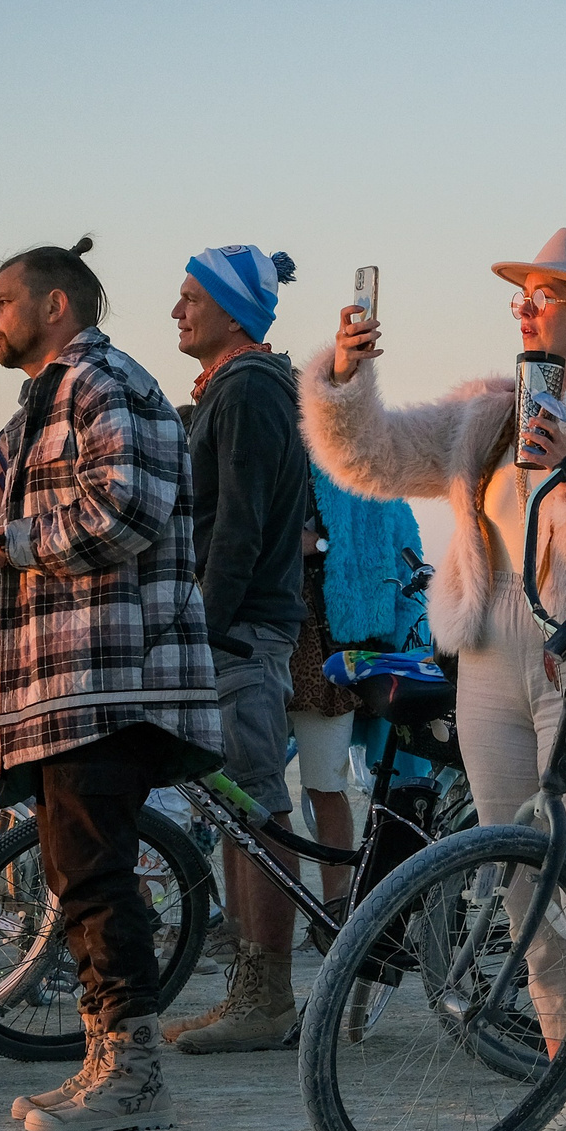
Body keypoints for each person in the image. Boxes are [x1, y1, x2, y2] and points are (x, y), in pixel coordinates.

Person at [304, 218, 566, 1131]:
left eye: (544, 295)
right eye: (520, 294)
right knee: (522, 879)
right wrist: (345, 380)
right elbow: (371, 461)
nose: (524, 306)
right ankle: (561, 1077)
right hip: (487, 667)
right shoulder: (486, 412)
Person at [0, 237, 224, 1131]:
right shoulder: (43, 405)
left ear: (56, 304)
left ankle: (133, 1074)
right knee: (78, 868)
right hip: (67, 681)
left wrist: (14, 542)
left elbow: (128, 509)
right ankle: (109, 1056)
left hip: (111, 678)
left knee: (92, 868)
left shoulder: (104, 384)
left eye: (3, 300)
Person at [157, 245, 313, 1056]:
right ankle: (251, 987)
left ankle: (271, 994)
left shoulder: (249, 388)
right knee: (234, 805)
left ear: (230, 310)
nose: (177, 312)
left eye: (190, 298)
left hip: (241, 628)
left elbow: (240, 526)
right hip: (237, 624)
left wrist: (202, 628)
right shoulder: (233, 389)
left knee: (254, 801)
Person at [285, 462, 428, 916]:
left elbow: (397, 557)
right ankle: (264, 916)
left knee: (325, 783)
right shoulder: (294, 462)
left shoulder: (353, 474)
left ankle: (336, 904)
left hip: (325, 646)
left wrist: (322, 545)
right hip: (280, 636)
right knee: (264, 791)